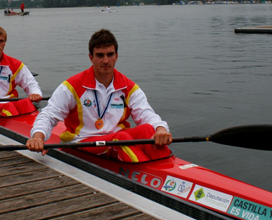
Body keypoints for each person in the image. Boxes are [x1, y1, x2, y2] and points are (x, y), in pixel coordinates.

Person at [26, 29, 172, 162]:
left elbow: (146, 113)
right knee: (121, 138)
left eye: (110, 54)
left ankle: (167, 168)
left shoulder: (129, 87)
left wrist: (160, 129)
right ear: (91, 57)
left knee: (147, 129)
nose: (106, 61)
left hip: (117, 140)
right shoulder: (72, 86)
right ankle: (151, 174)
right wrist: (38, 137)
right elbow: (49, 115)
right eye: (100, 55)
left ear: (116, 56)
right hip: (83, 142)